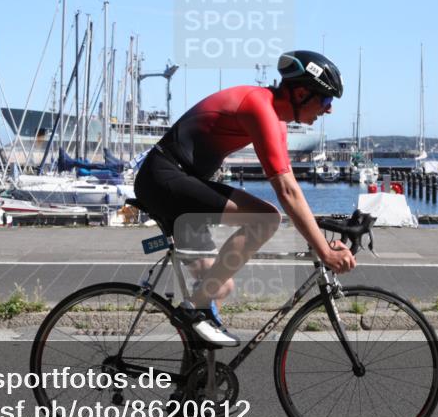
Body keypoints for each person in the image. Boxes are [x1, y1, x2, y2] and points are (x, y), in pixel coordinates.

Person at [133, 50, 357, 347]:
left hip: (176, 183)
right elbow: (286, 191)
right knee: (264, 219)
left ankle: (195, 379)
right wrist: (325, 253)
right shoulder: (258, 107)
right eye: (326, 101)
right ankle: (193, 313)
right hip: (164, 178)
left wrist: (319, 240)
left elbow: (292, 191)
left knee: (220, 286)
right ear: (302, 93)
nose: (328, 110)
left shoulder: (274, 120)